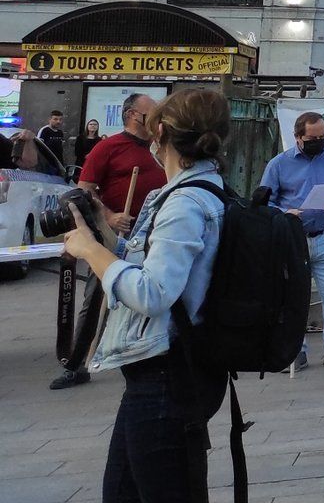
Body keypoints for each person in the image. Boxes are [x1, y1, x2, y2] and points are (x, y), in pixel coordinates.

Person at [62, 88, 231, 503]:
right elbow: (147, 264)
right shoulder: (187, 192)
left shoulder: (186, 202)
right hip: (159, 372)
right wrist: (98, 233)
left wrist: (90, 252)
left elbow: (154, 292)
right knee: (122, 492)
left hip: (166, 376)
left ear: (159, 132)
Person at [52, 94, 170, 391]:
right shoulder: (108, 147)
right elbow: (84, 191)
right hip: (115, 236)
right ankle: (75, 364)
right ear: (132, 114)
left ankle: (145, 352)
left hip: (154, 234)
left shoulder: (159, 150)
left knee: (151, 294)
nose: (156, 118)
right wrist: (110, 215)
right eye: (150, 112)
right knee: (96, 298)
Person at [259, 113, 324, 371]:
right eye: (312, 138)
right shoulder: (279, 164)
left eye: (322, 137)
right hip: (294, 239)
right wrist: (284, 214)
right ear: (297, 137)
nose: (318, 142)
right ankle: (296, 350)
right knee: (294, 297)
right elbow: (263, 203)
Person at [36, 109, 67, 176]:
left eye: (60, 119)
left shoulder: (60, 133)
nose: (58, 121)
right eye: (55, 119)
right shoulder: (44, 130)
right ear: (50, 120)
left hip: (57, 164)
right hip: (46, 164)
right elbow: (38, 147)